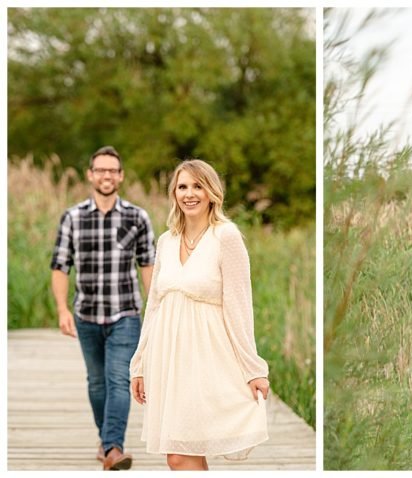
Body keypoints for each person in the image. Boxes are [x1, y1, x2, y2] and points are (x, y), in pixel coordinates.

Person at [129, 159, 270, 471]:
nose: (189, 194)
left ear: (211, 193)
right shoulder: (166, 242)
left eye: (197, 186)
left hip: (208, 356)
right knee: (178, 453)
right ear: (174, 193)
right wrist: (138, 365)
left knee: (181, 454)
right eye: (182, 187)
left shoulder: (226, 237)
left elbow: (239, 305)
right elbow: (154, 306)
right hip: (169, 359)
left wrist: (253, 368)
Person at [50, 145, 155, 471]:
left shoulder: (137, 217)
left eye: (113, 170)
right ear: (90, 175)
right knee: (96, 383)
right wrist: (62, 310)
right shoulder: (73, 217)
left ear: (120, 176)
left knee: (117, 380)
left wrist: (155, 313)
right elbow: (60, 266)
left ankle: (112, 448)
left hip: (126, 313)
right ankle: (106, 439)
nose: (107, 175)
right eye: (101, 170)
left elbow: (148, 267)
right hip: (86, 315)